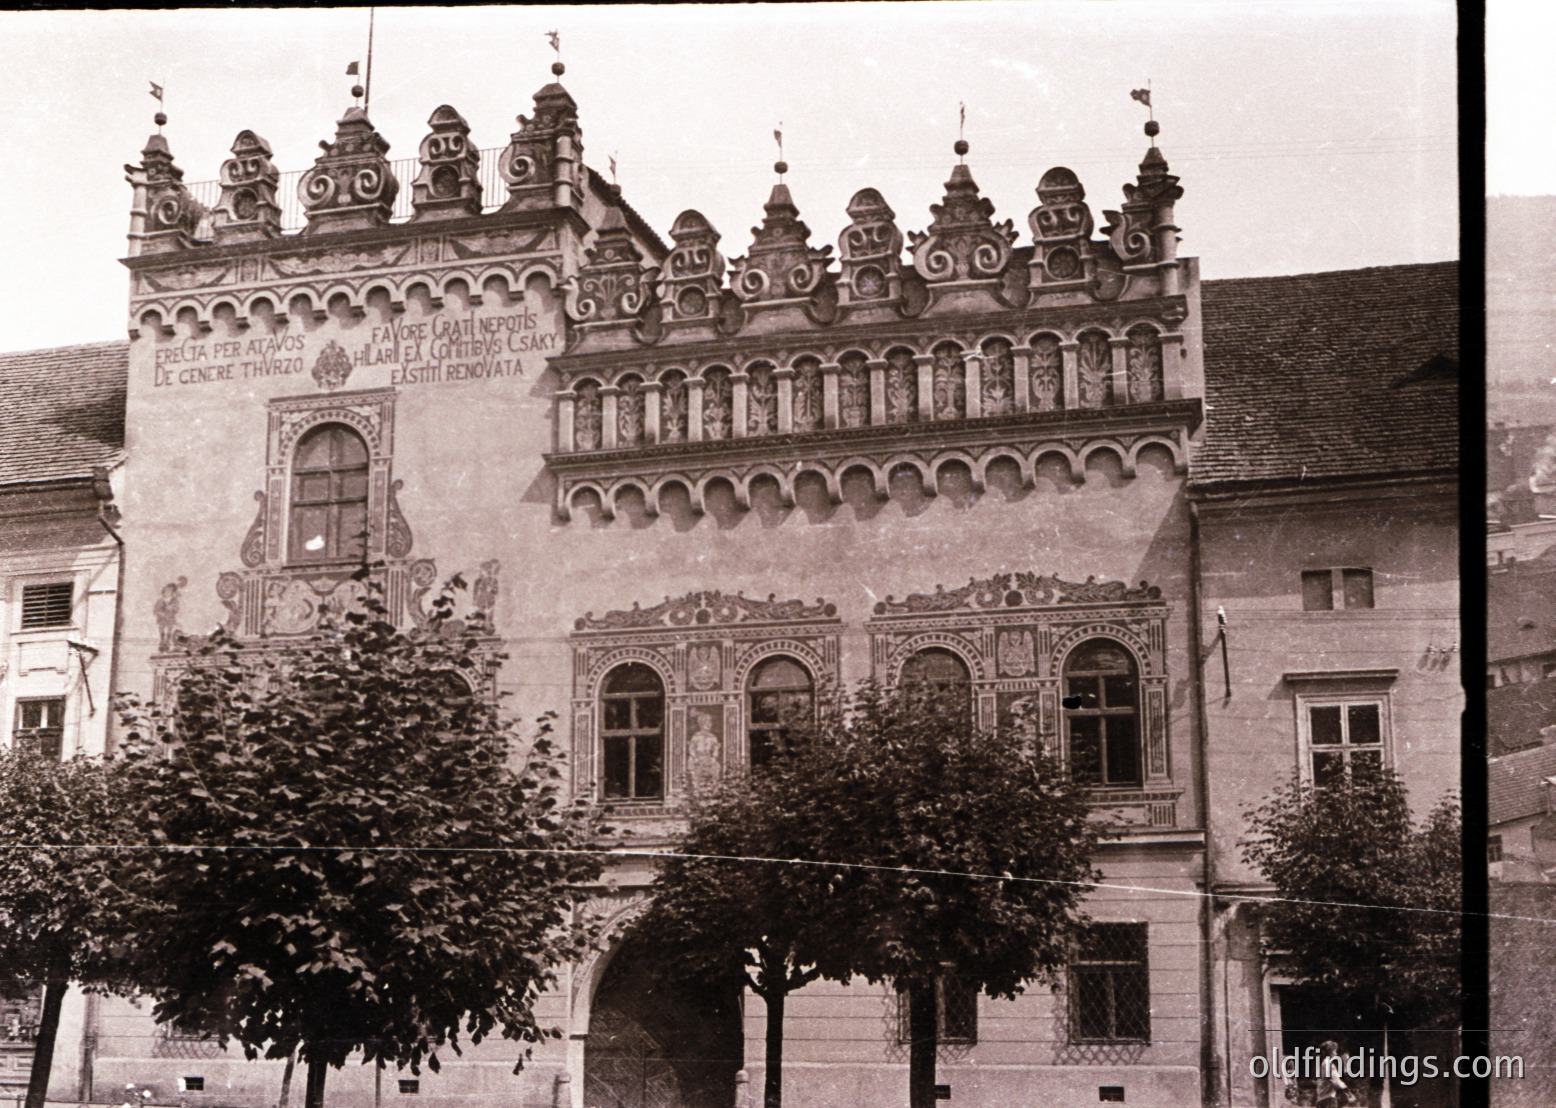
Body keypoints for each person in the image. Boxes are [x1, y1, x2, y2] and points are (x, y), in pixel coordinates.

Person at [1315, 1040, 1352, 1108]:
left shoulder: (1325, 1063)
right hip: (1328, 1099)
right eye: (1334, 1051)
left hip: (1323, 1098)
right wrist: (1346, 1090)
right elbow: (1335, 1081)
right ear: (1330, 1052)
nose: (1336, 1053)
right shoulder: (1328, 1064)